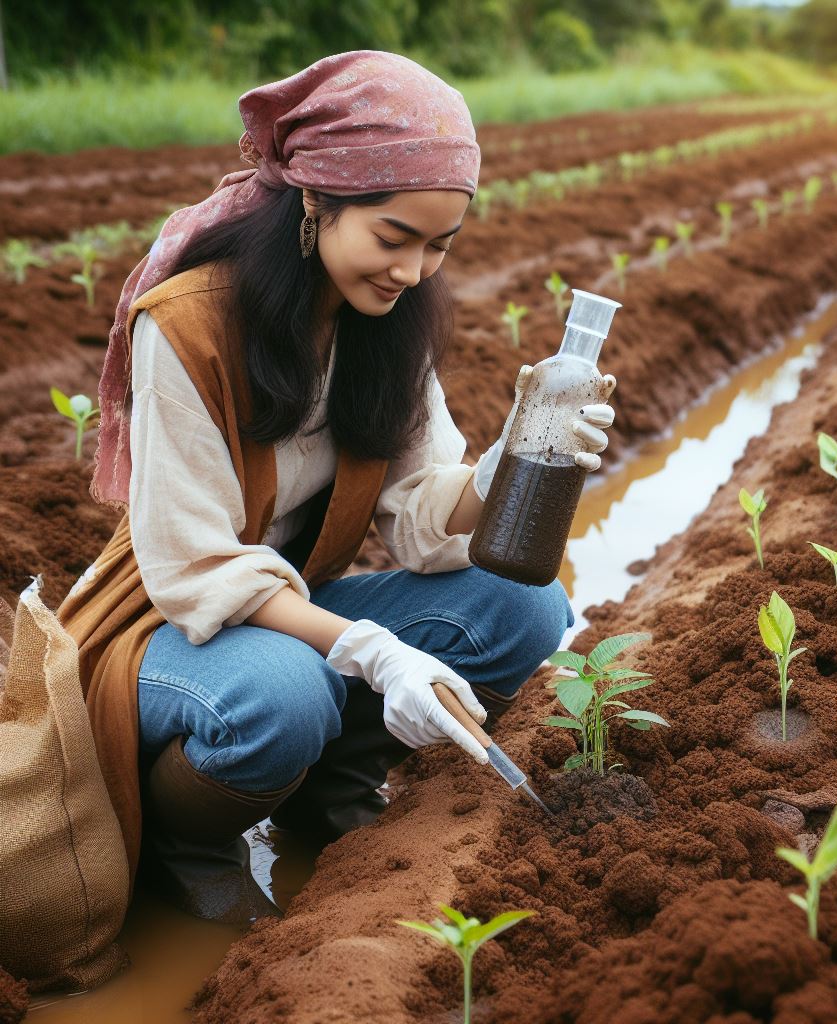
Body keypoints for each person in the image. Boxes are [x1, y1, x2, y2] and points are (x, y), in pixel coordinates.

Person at [57, 51, 617, 926]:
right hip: (167, 621)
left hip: (294, 606)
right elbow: (198, 568)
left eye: (439, 246)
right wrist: (373, 649)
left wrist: (513, 452)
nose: (414, 271)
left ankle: (327, 793)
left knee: (524, 607)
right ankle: (188, 846)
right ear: (315, 202)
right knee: (282, 692)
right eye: (393, 238)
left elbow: (428, 523)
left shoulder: (386, 326)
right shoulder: (191, 326)